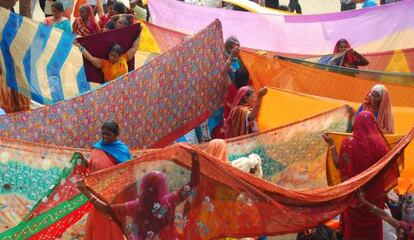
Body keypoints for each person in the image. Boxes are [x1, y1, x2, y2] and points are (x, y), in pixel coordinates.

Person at [78, 151, 200, 240]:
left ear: (144, 187)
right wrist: (195, 160)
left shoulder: (135, 206)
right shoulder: (170, 201)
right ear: (163, 186)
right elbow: (194, 182)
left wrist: (86, 193)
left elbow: (106, 209)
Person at [323, 111, 390, 240]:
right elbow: (387, 170)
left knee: (353, 230)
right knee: (373, 227)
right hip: (374, 199)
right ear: (373, 124)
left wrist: (331, 144)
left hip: (355, 198)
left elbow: (338, 164)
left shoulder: (348, 143)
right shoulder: (381, 146)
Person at [82, 120, 132, 240]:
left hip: (113, 194)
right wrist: (85, 163)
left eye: (108, 134)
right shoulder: (98, 146)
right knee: (97, 219)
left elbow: (127, 172)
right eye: (103, 133)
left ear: (116, 134)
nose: (104, 137)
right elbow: (95, 166)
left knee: (110, 221)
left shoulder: (122, 150)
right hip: (98, 191)